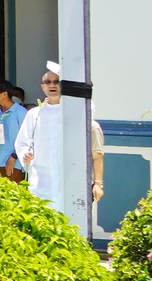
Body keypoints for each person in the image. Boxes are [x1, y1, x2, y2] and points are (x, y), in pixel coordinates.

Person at [15, 67, 106, 211]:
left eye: (56, 82)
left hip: (71, 178)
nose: (52, 85)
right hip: (41, 180)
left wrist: (98, 183)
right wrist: (25, 153)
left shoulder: (75, 113)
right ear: (42, 86)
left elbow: (96, 153)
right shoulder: (35, 114)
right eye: (48, 82)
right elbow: (22, 142)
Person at [0, 82, 27, 180]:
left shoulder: (21, 112)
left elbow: (27, 139)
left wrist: (13, 157)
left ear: (4, 94)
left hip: (14, 164)